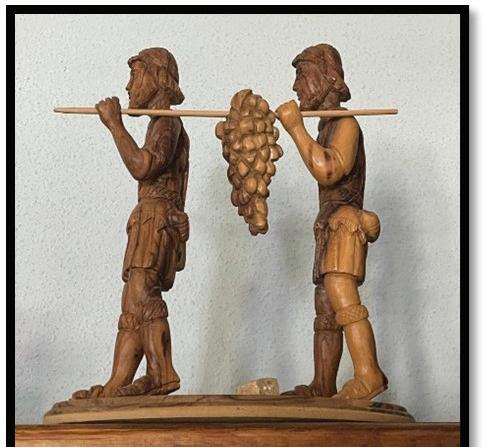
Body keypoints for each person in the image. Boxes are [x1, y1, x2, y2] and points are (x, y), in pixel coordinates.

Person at [72, 48, 189, 398]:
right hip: (148, 218)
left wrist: (115, 125)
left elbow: (142, 166)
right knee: (132, 300)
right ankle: (118, 382)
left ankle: (162, 373)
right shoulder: (158, 124)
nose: (128, 86)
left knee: (142, 293)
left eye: (135, 75)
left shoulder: (167, 123)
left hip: (157, 220)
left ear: (157, 78)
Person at [276, 44, 388, 399]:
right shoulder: (327, 126)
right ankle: (323, 384)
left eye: (301, 76)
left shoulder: (346, 124)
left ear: (326, 78)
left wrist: (295, 128)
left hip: (344, 225)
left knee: (343, 297)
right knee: (325, 306)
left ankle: (369, 374)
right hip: (329, 225)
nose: (295, 87)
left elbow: (329, 170)